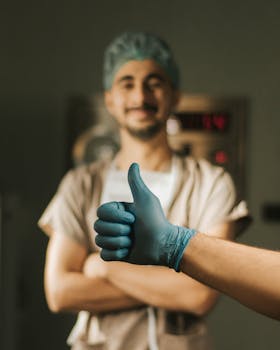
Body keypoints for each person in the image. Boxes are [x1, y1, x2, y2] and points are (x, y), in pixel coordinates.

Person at [38, 32, 250, 350]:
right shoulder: (80, 185)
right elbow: (60, 292)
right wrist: (170, 283)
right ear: (110, 99)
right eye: (127, 83)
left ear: (174, 95)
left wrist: (102, 266)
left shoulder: (211, 184)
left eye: (154, 82)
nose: (140, 96)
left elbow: (201, 295)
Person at [94, 163, 280, 321]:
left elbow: (198, 296)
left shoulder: (210, 180)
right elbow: (63, 292)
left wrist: (105, 270)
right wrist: (172, 290)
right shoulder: (85, 180)